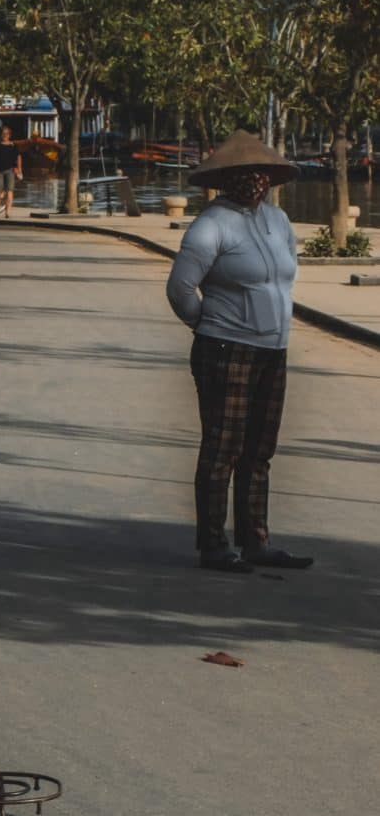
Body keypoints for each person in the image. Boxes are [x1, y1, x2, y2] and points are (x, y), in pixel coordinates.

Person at [166, 130, 309, 573]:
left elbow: (285, 277)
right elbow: (180, 288)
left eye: (260, 173)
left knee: (259, 450)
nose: (254, 181)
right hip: (226, 348)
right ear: (226, 179)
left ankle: (256, 541)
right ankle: (213, 545)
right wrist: (206, 325)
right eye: (245, 174)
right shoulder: (212, 225)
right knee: (222, 448)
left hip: (272, 350)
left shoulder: (278, 223)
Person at [0, 127, 23, 220]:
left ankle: (7, 212)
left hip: (10, 171)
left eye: (7, 134)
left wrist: (19, 169)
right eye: (3, 134)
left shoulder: (13, 146)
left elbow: (18, 157)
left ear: (9, 135)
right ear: (1, 135)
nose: (5, 135)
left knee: (10, 191)